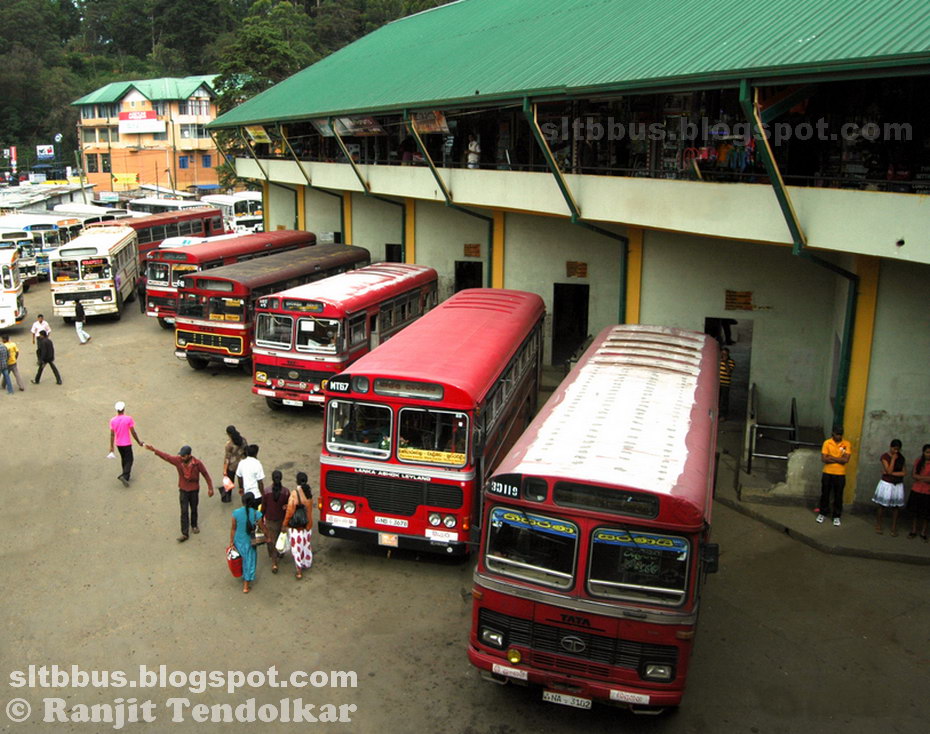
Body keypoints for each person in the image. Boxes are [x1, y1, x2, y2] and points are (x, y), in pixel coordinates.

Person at [145, 443, 214, 542]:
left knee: (194, 508)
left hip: (194, 490)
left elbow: (205, 475)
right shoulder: (178, 461)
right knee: (184, 511)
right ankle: (185, 533)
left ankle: (194, 525)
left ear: (189, 455)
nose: (181, 457)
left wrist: (210, 488)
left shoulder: (197, 464)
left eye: (183, 455)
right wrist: (154, 450)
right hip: (183, 490)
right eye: (181, 455)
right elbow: (167, 457)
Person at [817, 426, 852, 526]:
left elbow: (846, 460)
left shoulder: (846, 444)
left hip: (840, 474)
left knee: (838, 495)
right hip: (828, 472)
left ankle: (836, 516)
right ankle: (822, 512)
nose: (839, 436)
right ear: (833, 433)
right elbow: (824, 459)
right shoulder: (827, 443)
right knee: (825, 493)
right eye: (837, 434)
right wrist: (839, 459)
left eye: (841, 434)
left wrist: (831, 457)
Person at [230, 494, 264, 593]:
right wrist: (268, 536)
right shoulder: (256, 514)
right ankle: (246, 585)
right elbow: (262, 527)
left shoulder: (235, 513)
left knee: (241, 560)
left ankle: (242, 575)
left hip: (238, 541)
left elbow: (233, 528)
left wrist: (231, 542)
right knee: (249, 561)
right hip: (250, 542)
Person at [283, 471, 314, 580]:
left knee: (297, 548)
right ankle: (307, 562)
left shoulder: (295, 494)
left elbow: (290, 511)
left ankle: (299, 570)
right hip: (308, 525)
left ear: (297, 481)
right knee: (306, 545)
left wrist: (285, 523)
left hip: (297, 527)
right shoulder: (309, 492)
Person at [872, 439, 906, 535]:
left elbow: (904, 472)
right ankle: (878, 524)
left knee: (896, 507)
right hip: (887, 484)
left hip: (897, 484)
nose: (896, 451)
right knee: (882, 506)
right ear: (890, 447)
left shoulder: (901, 458)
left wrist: (890, 473)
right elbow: (889, 470)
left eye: (898, 450)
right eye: (894, 449)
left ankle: (893, 527)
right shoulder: (885, 457)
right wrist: (893, 460)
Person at [261, 470, 291, 574]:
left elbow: (263, 507)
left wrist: (261, 519)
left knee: (271, 541)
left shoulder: (266, 492)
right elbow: (289, 507)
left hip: (270, 520)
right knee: (281, 538)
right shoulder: (286, 492)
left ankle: (274, 563)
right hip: (282, 520)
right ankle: (281, 552)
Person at [109, 401, 143, 486]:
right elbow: (133, 432)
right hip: (127, 443)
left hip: (118, 444)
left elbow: (112, 434)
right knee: (130, 459)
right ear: (124, 409)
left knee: (124, 459)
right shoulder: (128, 419)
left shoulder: (113, 420)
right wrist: (139, 441)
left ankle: (126, 476)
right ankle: (124, 475)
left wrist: (111, 446)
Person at [907, 444, 930, 542]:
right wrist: (924, 478)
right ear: (923, 452)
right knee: (915, 512)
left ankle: (923, 532)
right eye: (927, 452)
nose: (929, 454)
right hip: (917, 489)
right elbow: (914, 475)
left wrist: (920, 478)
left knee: (926, 514)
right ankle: (913, 530)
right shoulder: (918, 462)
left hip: (927, 491)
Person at [221, 425, 248, 503]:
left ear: (229, 434)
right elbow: (246, 451)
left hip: (232, 466)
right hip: (242, 464)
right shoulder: (243, 440)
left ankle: (228, 496)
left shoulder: (229, 445)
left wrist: (224, 470)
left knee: (229, 480)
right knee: (242, 480)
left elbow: (227, 458)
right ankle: (244, 495)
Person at [718, 347, 735, 420]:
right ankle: (717, 414)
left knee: (724, 400)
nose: (723, 355)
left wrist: (725, 363)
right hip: (718, 384)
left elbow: (729, 372)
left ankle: (723, 415)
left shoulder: (731, 362)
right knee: (717, 400)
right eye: (722, 353)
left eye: (725, 354)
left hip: (725, 384)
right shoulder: (718, 361)